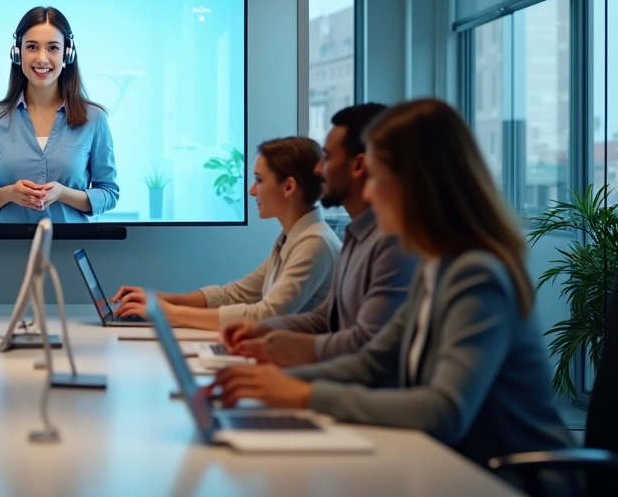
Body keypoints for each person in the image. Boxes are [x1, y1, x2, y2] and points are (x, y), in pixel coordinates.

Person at [208, 98, 574, 469]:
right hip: (449, 466)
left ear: (417, 183)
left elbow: (444, 409)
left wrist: (305, 395)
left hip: (515, 479)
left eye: (378, 177)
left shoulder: (476, 274)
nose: (367, 192)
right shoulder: (436, 266)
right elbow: (372, 363)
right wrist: (268, 385)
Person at [219, 104, 416, 367]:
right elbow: (324, 319)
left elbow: (363, 346)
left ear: (359, 165)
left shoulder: (391, 245)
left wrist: (287, 373)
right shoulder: (356, 236)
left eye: (328, 157)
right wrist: (263, 332)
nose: (318, 169)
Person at [112, 137, 340, 330]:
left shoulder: (315, 243)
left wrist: (166, 313)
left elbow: (265, 316)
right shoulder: (293, 238)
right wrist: (158, 299)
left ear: (289, 187)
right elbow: (235, 295)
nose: (251, 191)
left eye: (259, 180)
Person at [0, 6, 119, 223]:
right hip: (10, 251)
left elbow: (109, 193)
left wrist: (64, 194)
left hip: (69, 250)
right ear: (17, 53)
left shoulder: (94, 118)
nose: (42, 58)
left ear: (68, 54)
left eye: (53, 48)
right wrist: (9, 193)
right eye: (32, 47)